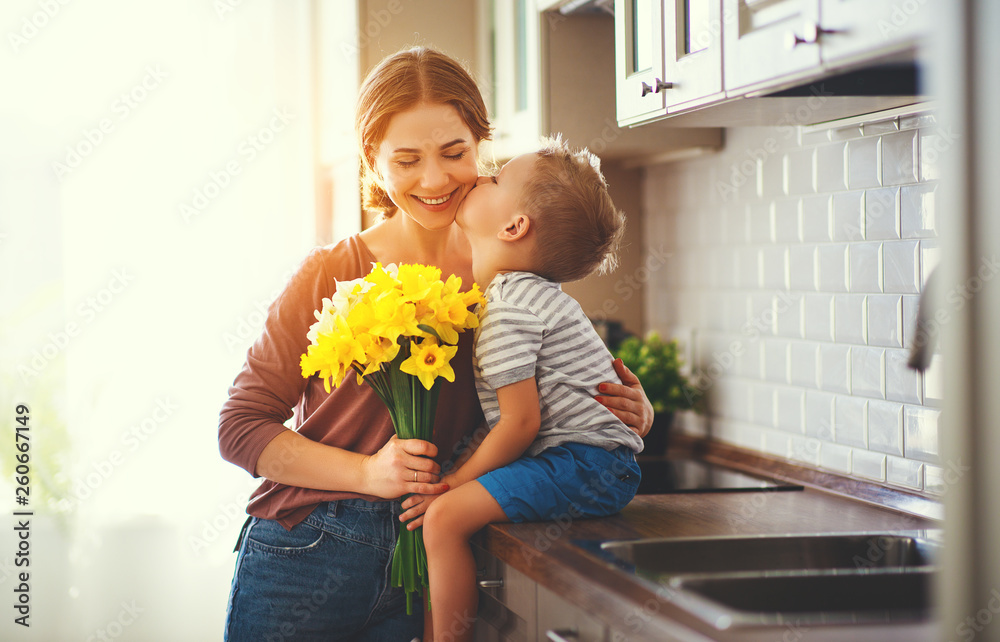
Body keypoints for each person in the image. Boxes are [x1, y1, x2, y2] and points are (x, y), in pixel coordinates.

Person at [218, 48, 654, 642]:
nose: (434, 179)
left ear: (481, 143)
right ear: (372, 161)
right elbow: (240, 428)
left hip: (427, 566)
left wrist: (634, 410)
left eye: (454, 153)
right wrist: (370, 473)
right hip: (306, 553)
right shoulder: (328, 273)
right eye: (406, 160)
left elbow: (550, 407)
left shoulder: (514, 282)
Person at [395, 137, 643, 642]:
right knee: (443, 515)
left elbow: (521, 422)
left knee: (441, 519)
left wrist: (456, 481)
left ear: (514, 226)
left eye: (497, 178)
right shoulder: (521, 296)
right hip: (590, 461)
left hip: (586, 465)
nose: (483, 178)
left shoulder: (509, 309)